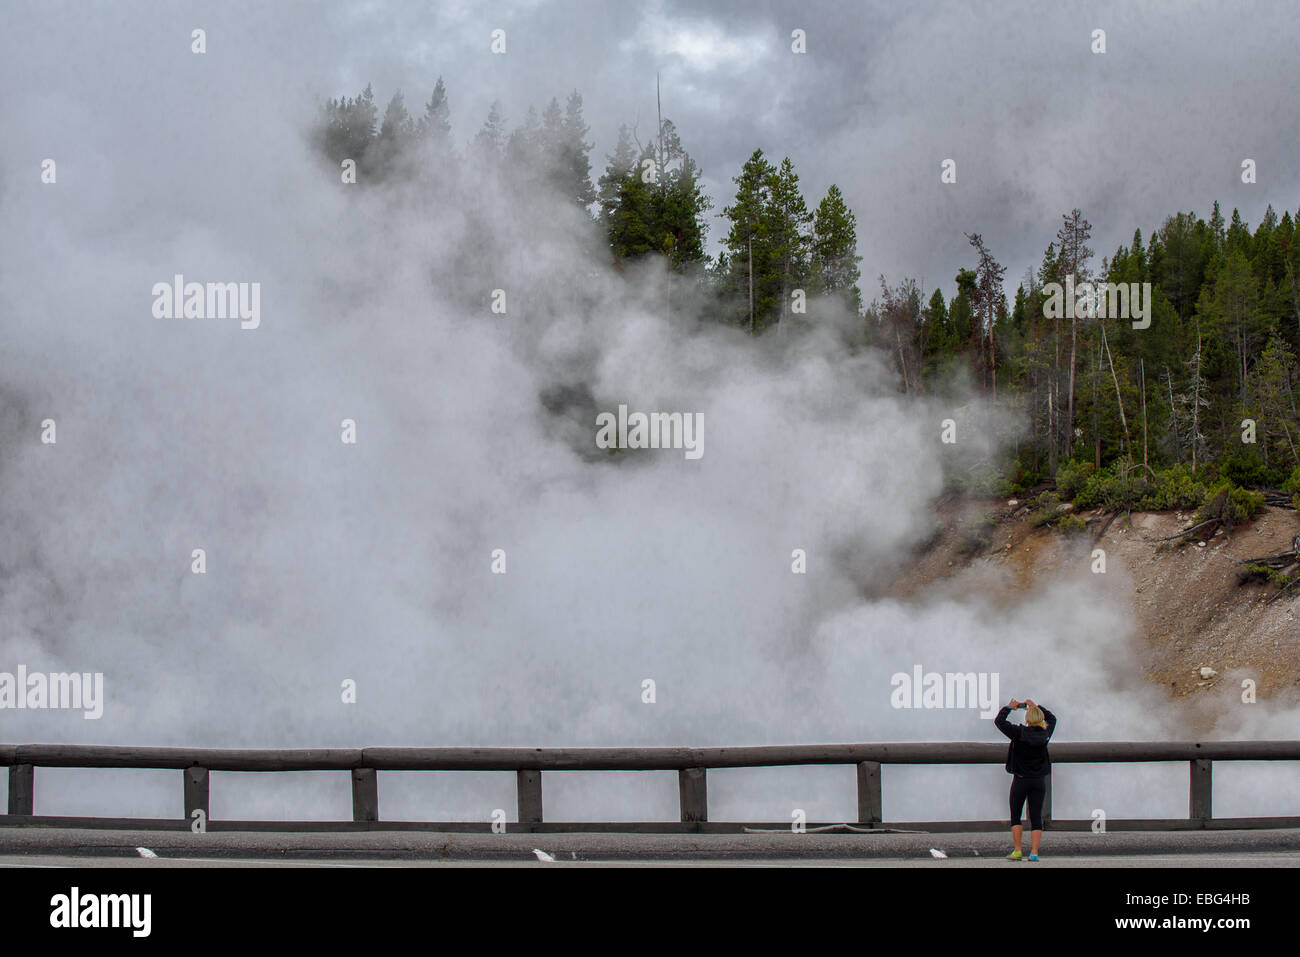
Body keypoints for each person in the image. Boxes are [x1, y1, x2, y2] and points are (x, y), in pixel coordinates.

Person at [995, 697, 1057, 861]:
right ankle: (1034, 853)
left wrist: (1010, 707)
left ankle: (1017, 851)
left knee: (1016, 815)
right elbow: (1052, 718)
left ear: (1028, 719)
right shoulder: (1045, 734)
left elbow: (999, 722)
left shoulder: (1018, 733)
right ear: (1040, 718)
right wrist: (1036, 706)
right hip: (1038, 781)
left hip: (1021, 780)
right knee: (1036, 816)